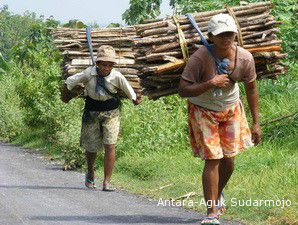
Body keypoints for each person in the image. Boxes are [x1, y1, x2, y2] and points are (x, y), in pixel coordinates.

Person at [178, 14, 261, 225]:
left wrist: (256, 123)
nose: (226, 38)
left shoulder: (244, 58)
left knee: (230, 161)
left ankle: (217, 193)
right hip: (203, 110)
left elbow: (251, 88)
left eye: (230, 33)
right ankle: (212, 212)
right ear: (211, 37)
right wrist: (210, 83)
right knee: (213, 159)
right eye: (221, 34)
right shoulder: (200, 58)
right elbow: (183, 90)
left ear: (236, 34)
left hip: (231, 108)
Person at [65, 45, 141, 191]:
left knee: (110, 145)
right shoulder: (89, 74)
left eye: (110, 65)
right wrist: (67, 92)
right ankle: (91, 171)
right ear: (97, 63)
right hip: (91, 112)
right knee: (91, 147)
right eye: (104, 64)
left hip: (111, 113)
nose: (107, 68)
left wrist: (134, 98)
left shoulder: (117, 76)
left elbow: (129, 90)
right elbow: (70, 81)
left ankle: (107, 181)